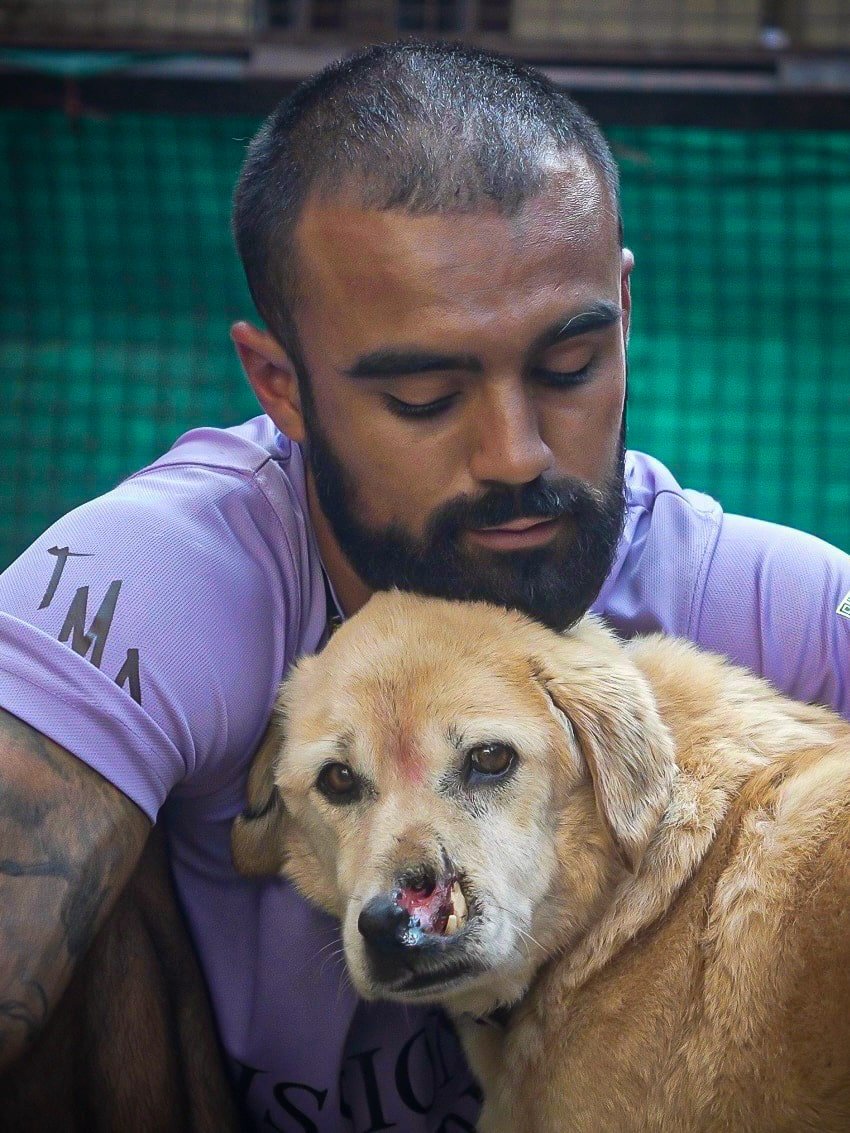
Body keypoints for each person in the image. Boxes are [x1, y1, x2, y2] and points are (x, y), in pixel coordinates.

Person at [0, 39, 848, 1133]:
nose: (515, 452)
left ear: (623, 311)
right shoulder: (166, 578)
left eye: (567, 366)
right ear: (281, 382)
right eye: (424, 394)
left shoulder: (759, 594)